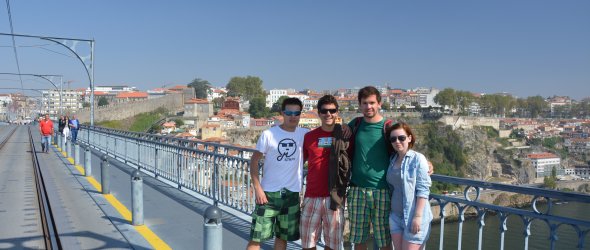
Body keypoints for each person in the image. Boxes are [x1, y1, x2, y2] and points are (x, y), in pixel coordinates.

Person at [247, 98, 309, 250]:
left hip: (291, 195)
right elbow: (254, 161)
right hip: (268, 195)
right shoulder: (269, 134)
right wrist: (258, 188)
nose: (293, 116)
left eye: (296, 113)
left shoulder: (305, 134)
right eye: (289, 112)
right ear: (282, 113)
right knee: (256, 238)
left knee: (283, 238)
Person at [347, 86, 395, 250]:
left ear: (380, 104)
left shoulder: (388, 127)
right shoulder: (355, 124)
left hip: (382, 191)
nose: (369, 107)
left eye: (372, 103)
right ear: (359, 105)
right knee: (359, 240)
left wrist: (425, 164)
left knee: (384, 240)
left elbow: (405, 148)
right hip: (357, 190)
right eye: (365, 103)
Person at [301, 95, 351, 250]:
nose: (328, 114)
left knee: (333, 245)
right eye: (324, 110)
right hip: (312, 196)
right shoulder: (309, 137)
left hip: (334, 197)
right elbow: (297, 164)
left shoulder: (346, 136)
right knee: (308, 244)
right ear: (319, 113)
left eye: (332, 110)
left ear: (337, 112)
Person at [386, 122, 432, 250]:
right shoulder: (392, 159)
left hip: (413, 217)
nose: (397, 141)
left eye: (401, 137)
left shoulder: (418, 159)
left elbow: (423, 190)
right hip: (395, 217)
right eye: (393, 139)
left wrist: (417, 217)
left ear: (409, 138)